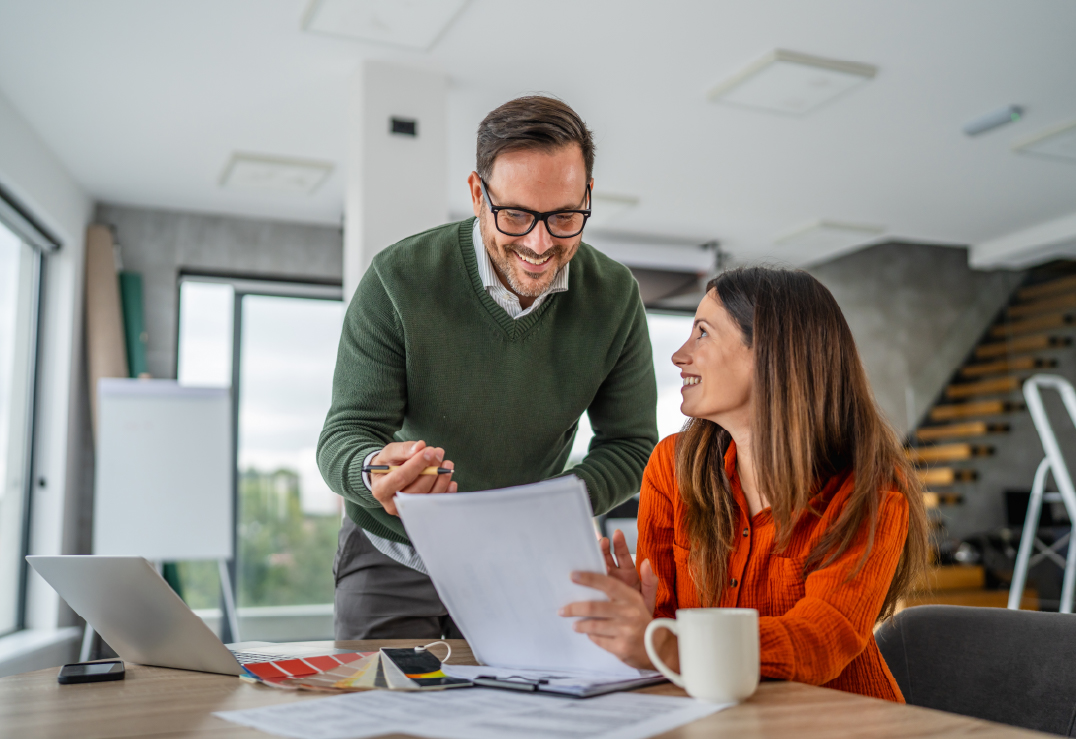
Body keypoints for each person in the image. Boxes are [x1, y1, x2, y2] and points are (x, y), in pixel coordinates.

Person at [318, 95, 659, 640]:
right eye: (517, 214)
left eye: (566, 217)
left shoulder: (615, 296)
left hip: (526, 562)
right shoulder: (398, 277)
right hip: (393, 557)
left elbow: (632, 444)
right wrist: (376, 472)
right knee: (386, 721)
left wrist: (542, 510)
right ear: (478, 194)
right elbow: (344, 436)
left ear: (588, 196)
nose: (540, 243)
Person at [560, 266, 929, 702]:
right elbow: (661, 631)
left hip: (840, 722)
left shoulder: (871, 488)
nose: (680, 355)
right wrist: (633, 618)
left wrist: (668, 645)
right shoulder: (671, 468)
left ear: (771, 352)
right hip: (713, 718)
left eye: (702, 333)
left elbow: (820, 639)